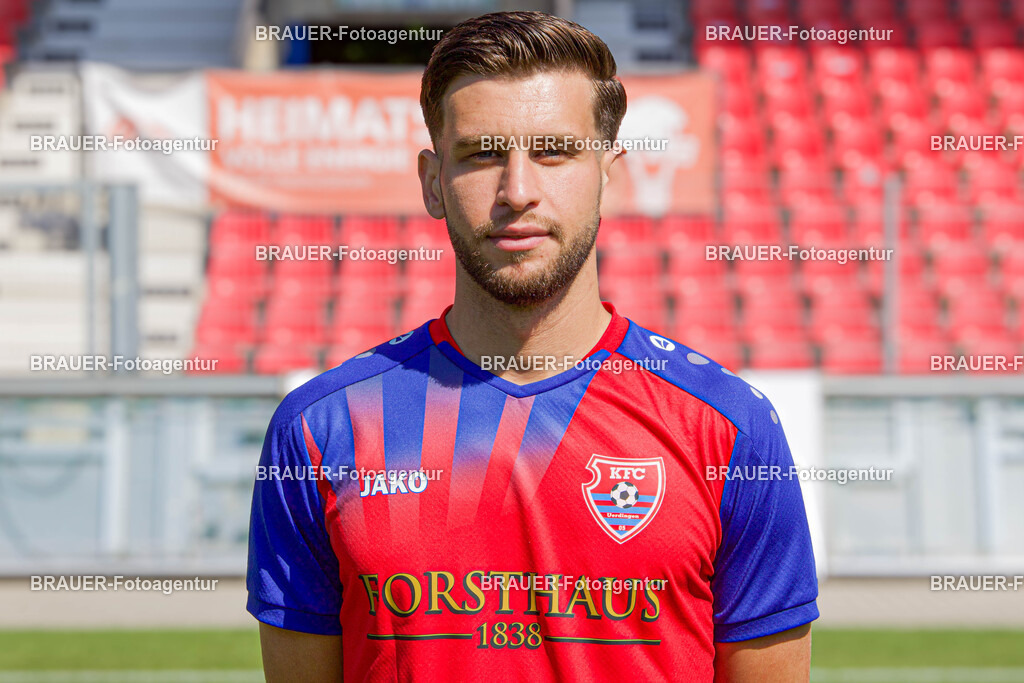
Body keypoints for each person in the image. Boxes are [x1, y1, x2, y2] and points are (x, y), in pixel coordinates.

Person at [248, 10, 818, 682]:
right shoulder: (321, 429)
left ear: (610, 172)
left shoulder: (728, 428)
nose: (517, 191)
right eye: (483, 154)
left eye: (554, 152)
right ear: (432, 181)